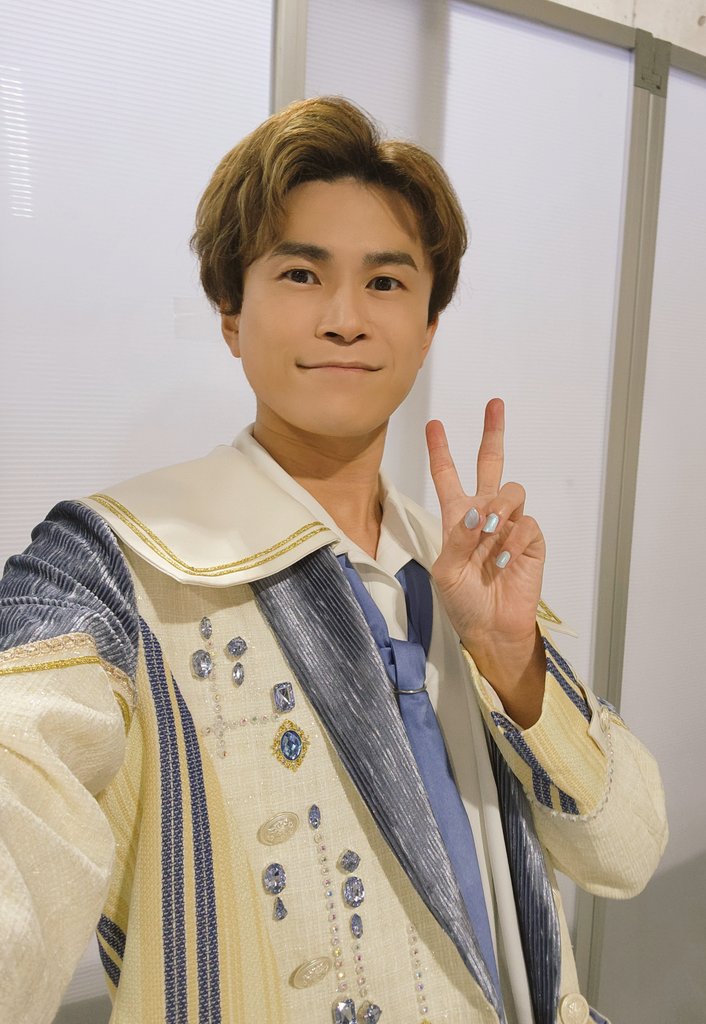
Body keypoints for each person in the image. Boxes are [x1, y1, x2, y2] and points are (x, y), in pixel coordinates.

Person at [0, 96, 666, 1024]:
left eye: (386, 282)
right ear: (231, 313)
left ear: (428, 327)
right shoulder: (117, 565)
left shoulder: (457, 564)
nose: (346, 319)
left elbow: (626, 854)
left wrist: (513, 661)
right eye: (302, 274)